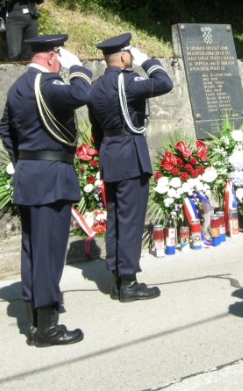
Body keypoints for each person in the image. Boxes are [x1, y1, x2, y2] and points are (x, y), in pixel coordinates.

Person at [0, 34, 91, 346]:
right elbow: (82, 94)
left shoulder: (17, 87)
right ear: (53, 57)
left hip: (30, 176)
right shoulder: (48, 85)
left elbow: (4, 129)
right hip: (51, 177)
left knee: (33, 249)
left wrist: (24, 161)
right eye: (60, 59)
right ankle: (47, 328)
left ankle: (34, 313)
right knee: (49, 251)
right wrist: (78, 69)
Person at [87, 33, 174, 302]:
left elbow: (96, 128)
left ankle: (116, 277)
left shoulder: (96, 86)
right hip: (130, 158)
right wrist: (149, 62)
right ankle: (128, 282)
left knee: (115, 218)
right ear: (124, 56)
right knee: (130, 221)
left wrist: (107, 152)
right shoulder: (129, 82)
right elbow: (164, 83)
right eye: (131, 55)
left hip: (110, 156)